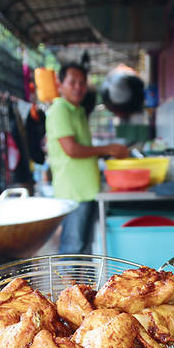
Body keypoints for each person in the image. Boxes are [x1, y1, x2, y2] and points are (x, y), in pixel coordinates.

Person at [46, 62, 130, 254]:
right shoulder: (60, 109)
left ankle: (79, 285)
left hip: (88, 190)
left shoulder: (79, 110)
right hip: (74, 192)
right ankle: (65, 284)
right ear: (60, 84)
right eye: (72, 82)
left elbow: (83, 149)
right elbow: (72, 150)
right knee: (72, 249)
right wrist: (107, 149)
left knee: (83, 249)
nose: (78, 87)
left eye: (82, 83)